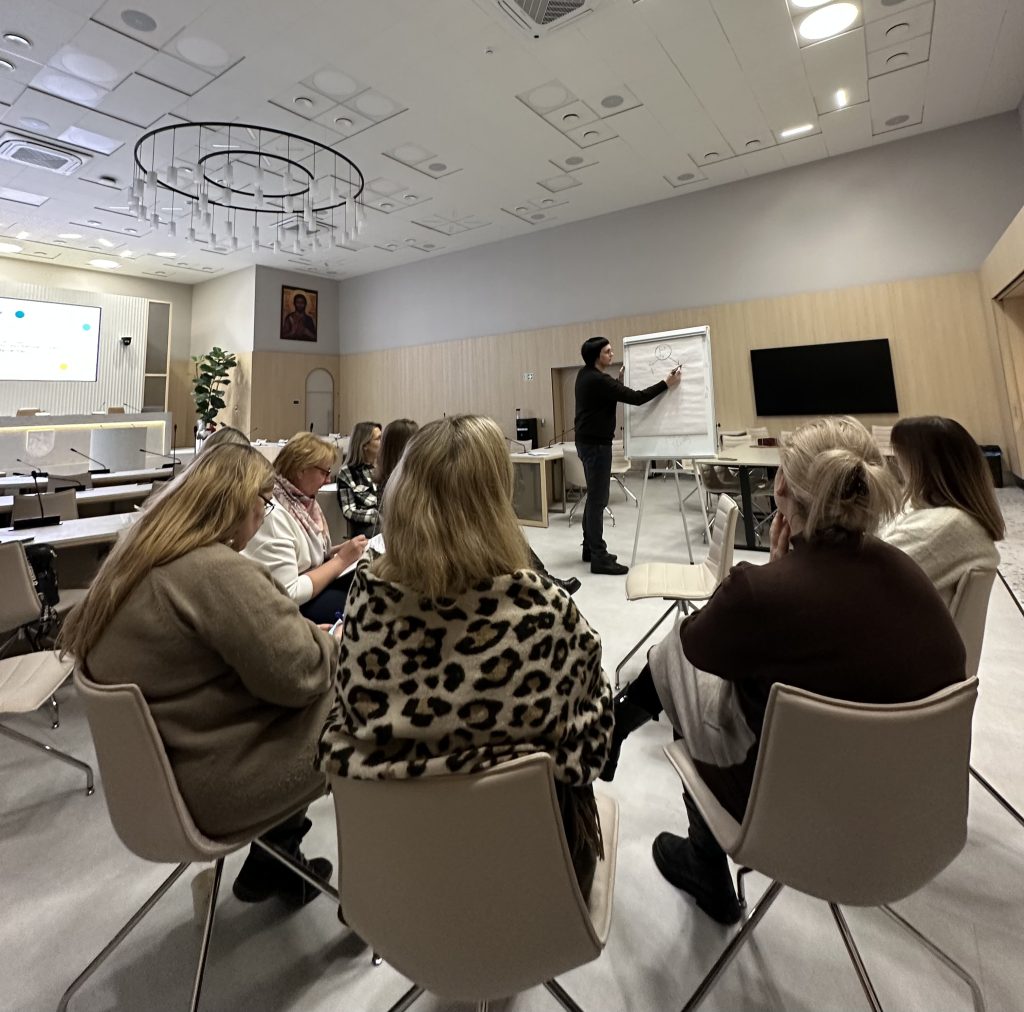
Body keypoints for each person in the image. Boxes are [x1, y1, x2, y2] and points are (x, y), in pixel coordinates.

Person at [603, 417, 967, 924]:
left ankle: (698, 854)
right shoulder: (912, 575)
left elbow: (698, 649)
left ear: (780, 490)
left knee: (673, 650)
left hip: (787, 823)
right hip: (913, 827)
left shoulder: (759, 593)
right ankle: (617, 724)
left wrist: (771, 573)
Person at [317, 415, 614, 897]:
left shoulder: (368, 603)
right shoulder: (543, 610)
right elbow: (593, 747)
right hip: (536, 888)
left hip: (397, 887)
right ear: (495, 500)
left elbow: (345, 718)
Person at [59, 444, 340, 905]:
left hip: (159, 785)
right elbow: (303, 674)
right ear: (241, 501)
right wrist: (333, 641)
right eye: (265, 503)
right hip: (214, 787)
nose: (264, 516)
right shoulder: (214, 572)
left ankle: (274, 862)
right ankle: (380, 899)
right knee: (359, 699)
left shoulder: (134, 562)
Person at [375, 416, 582, 596]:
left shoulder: (372, 596)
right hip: (440, 544)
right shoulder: (392, 490)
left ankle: (544, 578)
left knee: (505, 529)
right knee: (495, 528)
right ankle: (544, 580)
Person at [574, 336, 681, 575]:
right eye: (607, 351)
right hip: (596, 446)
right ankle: (599, 557)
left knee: (594, 498)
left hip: (587, 443)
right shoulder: (598, 380)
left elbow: (604, 395)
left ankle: (589, 548)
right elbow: (637, 398)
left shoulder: (584, 375)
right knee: (598, 500)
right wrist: (666, 383)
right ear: (596, 356)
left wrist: (618, 382)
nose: (612, 354)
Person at [243, 432, 366, 624]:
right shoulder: (273, 513)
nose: (328, 480)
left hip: (305, 592)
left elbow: (302, 555)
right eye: (324, 473)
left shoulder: (300, 502)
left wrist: (336, 552)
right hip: (284, 608)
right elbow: (289, 592)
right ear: (301, 470)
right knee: (358, 605)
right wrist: (341, 560)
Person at [881, 416, 1003, 604]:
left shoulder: (946, 525)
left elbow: (870, 575)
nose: (896, 463)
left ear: (924, 465)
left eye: (900, 456)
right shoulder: (945, 516)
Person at [336, 421, 381, 538]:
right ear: (364, 445)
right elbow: (348, 511)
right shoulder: (347, 473)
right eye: (378, 438)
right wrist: (376, 516)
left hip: (388, 524)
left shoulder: (384, 468)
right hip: (366, 529)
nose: (383, 442)